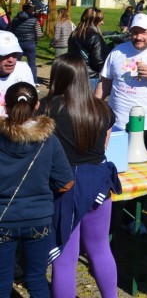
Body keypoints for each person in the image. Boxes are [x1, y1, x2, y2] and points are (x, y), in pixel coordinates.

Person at [42, 55, 119, 298]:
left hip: (63, 185)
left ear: (58, 76)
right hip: (97, 183)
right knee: (100, 248)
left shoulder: (46, 108)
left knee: (65, 258)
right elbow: (105, 145)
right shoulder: (102, 109)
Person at [0, 82, 73, 296]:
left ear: (5, 106)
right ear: (37, 106)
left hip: (3, 219)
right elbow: (67, 182)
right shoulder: (49, 141)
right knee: (36, 279)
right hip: (38, 219)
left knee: (2, 283)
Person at [95, 14, 147, 152]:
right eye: (135, 32)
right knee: (113, 160)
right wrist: (93, 107)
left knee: (138, 165)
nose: (138, 37)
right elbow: (104, 82)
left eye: (143, 32)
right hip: (114, 121)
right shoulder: (118, 51)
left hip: (145, 124)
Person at [68, 8, 110, 93]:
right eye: (101, 20)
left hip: (74, 73)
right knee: (89, 104)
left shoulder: (74, 33)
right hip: (90, 77)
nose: (102, 22)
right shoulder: (95, 37)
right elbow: (100, 63)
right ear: (94, 21)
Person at [0, 31, 36, 117]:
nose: (11, 60)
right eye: (5, 55)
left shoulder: (23, 69)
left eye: (14, 54)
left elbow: (32, 100)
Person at [9, 2, 43, 82]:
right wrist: (36, 40)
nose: (33, 10)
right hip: (30, 43)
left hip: (18, 43)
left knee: (16, 63)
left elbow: (11, 30)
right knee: (32, 63)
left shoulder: (15, 19)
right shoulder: (34, 20)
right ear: (28, 10)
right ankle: (34, 81)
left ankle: (14, 80)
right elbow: (39, 33)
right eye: (31, 9)